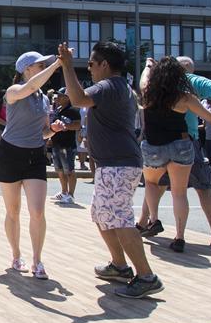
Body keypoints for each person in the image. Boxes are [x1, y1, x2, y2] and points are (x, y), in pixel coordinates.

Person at [58, 42, 163, 298]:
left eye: (91, 64)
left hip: (118, 164)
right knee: (102, 215)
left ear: (104, 64)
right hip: (113, 164)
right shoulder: (120, 87)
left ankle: (146, 277)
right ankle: (119, 266)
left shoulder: (109, 86)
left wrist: (67, 67)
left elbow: (78, 99)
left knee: (120, 219)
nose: (89, 68)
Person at [137, 56, 211, 252]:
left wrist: (148, 65)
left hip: (154, 147)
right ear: (180, 75)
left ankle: (153, 220)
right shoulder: (185, 97)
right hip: (182, 145)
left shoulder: (148, 92)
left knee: (151, 183)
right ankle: (180, 237)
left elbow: (143, 78)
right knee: (179, 193)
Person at [0, 50, 63, 280]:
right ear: (26, 69)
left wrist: (52, 130)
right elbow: (31, 86)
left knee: (37, 211)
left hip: (35, 154)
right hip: (10, 153)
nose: (44, 67)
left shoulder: (43, 99)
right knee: (13, 211)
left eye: (45, 65)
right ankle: (16, 255)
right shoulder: (14, 91)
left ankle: (37, 260)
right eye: (40, 65)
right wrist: (56, 65)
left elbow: (43, 132)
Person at [49, 87, 82, 204]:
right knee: (59, 170)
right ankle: (64, 192)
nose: (57, 97)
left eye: (60, 95)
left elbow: (78, 125)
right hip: (56, 144)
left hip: (67, 145)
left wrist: (65, 127)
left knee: (69, 170)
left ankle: (71, 195)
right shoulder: (57, 110)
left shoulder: (73, 110)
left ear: (67, 98)